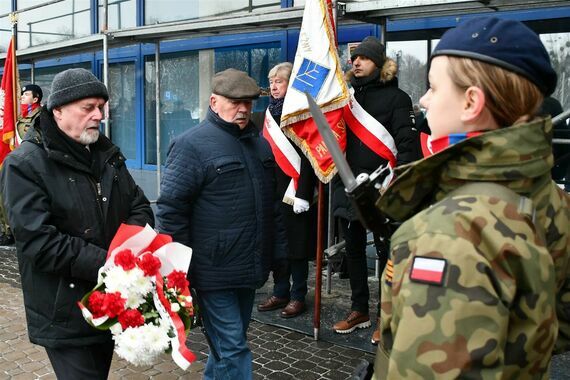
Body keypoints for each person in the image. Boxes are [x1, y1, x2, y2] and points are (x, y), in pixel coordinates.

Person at [372, 17, 570, 378]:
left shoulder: (449, 233)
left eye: (433, 87)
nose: (424, 99)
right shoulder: (548, 195)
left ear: (471, 103)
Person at [0, 68, 154, 379]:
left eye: (101, 107)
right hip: (65, 309)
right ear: (57, 110)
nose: (98, 115)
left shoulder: (108, 154)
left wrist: (127, 253)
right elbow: (38, 242)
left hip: (112, 299)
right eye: (88, 108)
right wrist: (110, 262)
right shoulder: (24, 164)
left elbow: (138, 206)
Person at [156, 68, 287, 380]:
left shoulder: (260, 145)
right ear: (214, 102)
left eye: (248, 102)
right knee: (233, 349)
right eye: (234, 102)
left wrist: (279, 255)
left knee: (227, 347)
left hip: (249, 267)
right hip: (211, 270)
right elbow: (171, 210)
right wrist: (178, 271)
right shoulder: (191, 145)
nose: (243, 109)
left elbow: (272, 207)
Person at [332, 36, 420, 338]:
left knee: (387, 253)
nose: (356, 62)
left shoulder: (398, 99)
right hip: (349, 183)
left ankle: (387, 314)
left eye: (364, 58)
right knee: (353, 251)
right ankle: (359, 310)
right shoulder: (345, 97)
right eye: (354, 58)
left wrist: (395, 185)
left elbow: (408, 146)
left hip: (383, 188)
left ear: (379, 64)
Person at [257, 62, 318, 318]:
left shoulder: (300, 113)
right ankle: (280, 291)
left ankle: (297, 295)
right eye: (271, 81)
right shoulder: (267, 113)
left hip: (294, 189)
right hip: (272, 189)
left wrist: (304, 192)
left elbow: (308, 155)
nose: (273, 86)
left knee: (296, 247)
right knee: (277, 246)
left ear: (290, 83)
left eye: (279, 81)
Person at [0, 84, 45, 246]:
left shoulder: (41, 117)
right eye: (22, 95)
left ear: (35, 98)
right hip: (19, 163)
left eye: (26, 95)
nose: (22, 98)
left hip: (35, 166)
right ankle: (9, 230)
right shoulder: (21, 116)